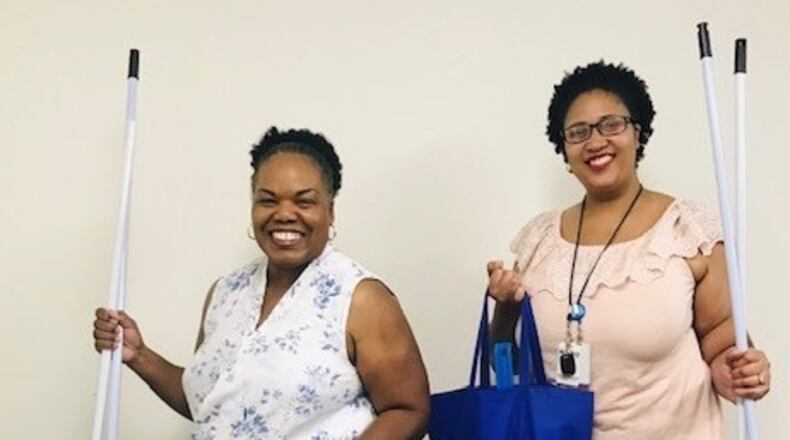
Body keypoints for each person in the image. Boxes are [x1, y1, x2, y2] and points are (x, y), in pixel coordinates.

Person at [487, 61, 771, 439]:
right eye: (578, 132)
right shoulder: (539, 240)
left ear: (638, 132)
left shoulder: (686, 230)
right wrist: (505, 306)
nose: (595, 141)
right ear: (565, 150)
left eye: (612, 124)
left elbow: (723, 344)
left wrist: (741, 374)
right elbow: (505, 360)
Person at [93, 127, 430, 439]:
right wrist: (139, 355)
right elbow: (211, 404)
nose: (284, 213)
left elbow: (408, 410)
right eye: (268, 199)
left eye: (304, 201)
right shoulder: (225, 293)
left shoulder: (360, 297)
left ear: (330, 212)